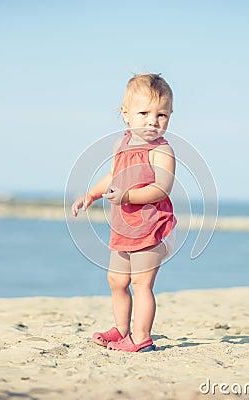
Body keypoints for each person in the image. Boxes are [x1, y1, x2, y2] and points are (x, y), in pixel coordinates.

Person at [72, 73, 176, 352]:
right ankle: (121, 329)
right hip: (124, 227)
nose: (153, 121)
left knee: (142, 283)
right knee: (117, 280)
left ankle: (142, 338)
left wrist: (128, 195)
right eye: (144, 113)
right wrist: (92, 194)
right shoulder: (122, 144)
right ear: (126, 114)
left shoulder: (162, 151)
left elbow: (161, 188)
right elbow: (113, 174)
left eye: (162, 114)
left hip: (152, 226)